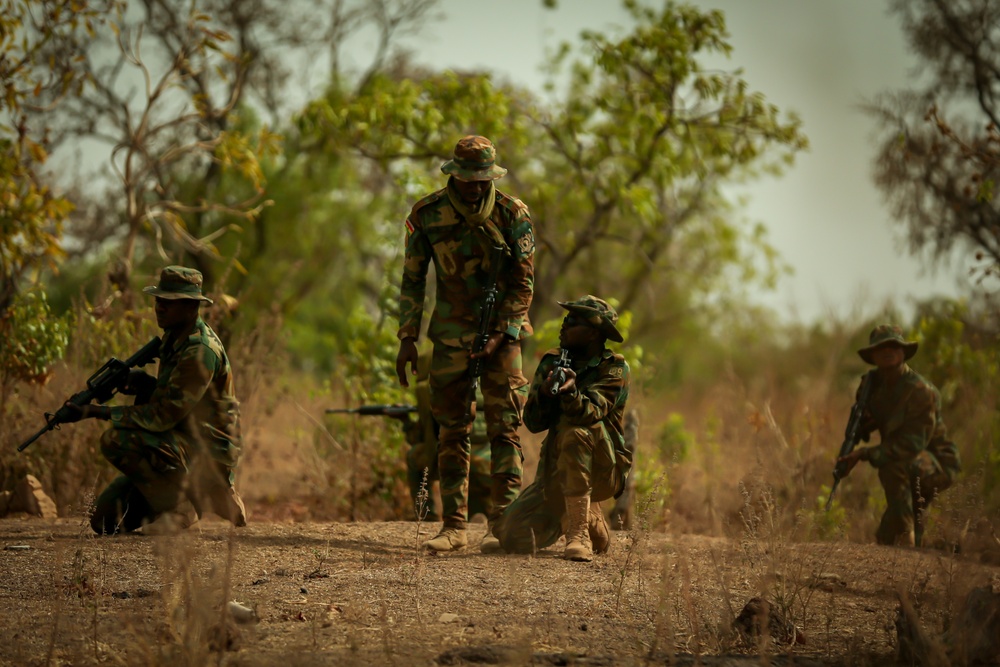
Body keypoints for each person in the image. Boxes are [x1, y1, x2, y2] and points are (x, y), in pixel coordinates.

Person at [395, 135, 534, 553]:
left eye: (483, 178)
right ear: (454, 173)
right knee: (451, 428)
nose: (475, 186)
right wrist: (407, 338)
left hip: (504, 335)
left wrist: (503, 331)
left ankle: (505, 525)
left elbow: (524, 281)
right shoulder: (427, 214)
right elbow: (413, 280)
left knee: (504, 428)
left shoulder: (513, 213)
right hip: (451, 335)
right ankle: (453, 526)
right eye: (468, 178)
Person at [63, 265, 247, 534]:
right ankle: (188, 495)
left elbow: (163, 416)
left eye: (168, 302)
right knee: (105, 522)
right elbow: (175, 399)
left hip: (207, 449)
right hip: (182, 439)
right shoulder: (174, 338)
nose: (159, 308)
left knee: (115, 440)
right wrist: (144, 382)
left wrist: (95, 412)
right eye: (158, 301)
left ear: (190, 307)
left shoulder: (200, 350)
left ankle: (185, 506)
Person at [494, 296, 633, 562]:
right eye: (566, 319)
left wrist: (570, 394)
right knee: (510, 534)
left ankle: (578, 533)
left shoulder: (614, 368)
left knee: (576, 431)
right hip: (557, 468)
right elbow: (533, 423)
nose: (564, 325)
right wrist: (546, 393)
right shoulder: (552, 362)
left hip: (602, 469)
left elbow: (590, 413)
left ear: (593, 332)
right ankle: (582, 513)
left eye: (573, 321)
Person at [837, 324, 961, 547]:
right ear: (872, 355)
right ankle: (944, 546)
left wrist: (863, 454)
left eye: (894, 346)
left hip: (937, 462)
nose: (888, 351)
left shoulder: (921, 391)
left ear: (903, 352)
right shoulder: (870, 385)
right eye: (881, 347)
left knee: (892, 467)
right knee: (885, 539)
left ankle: (909, 540)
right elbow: (865, 424)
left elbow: (912, 445)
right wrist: (856, 435)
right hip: (906, 461)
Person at [402, 352, 493, 522]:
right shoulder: (482, 383)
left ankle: (428, 517)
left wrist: (406, 423)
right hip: (490, 460)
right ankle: (480, 517)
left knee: (414, 456)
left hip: (458, 459)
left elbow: (428, 437)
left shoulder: (429, 391)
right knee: (481, 515)